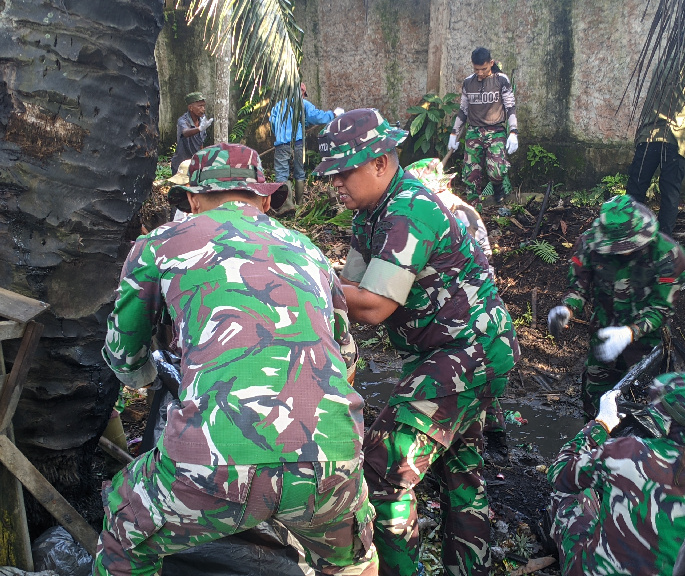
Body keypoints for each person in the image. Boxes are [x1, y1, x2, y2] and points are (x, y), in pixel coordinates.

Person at [94, 142, 378, 576]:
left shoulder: (159, 245)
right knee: (353, 563)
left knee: (124, 532)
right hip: (332, 460)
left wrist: (149, 374)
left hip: (209, 462)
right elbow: (345, 354)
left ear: (192, 200)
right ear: (264, 200)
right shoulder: (309, 250)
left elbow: (124, 354)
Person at [313, 108, 520, 576]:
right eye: (331, 175)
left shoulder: (409, 209)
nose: (335, 184)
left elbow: (372, 306)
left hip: (466, 353)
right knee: (459, 471)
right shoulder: (370, 214)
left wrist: (306, 279)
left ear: (380, 163)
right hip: (454, 352)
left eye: (344, 171)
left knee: (383, 470)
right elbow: (351, 289)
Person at [405, 158, 508, 463]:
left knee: (471, 374)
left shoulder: (458, 214)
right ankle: (485, 438)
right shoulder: (446, 211)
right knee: (473, 375)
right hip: (457, 304)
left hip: (466, 306)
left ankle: (488, 440)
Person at [547, 194, 685, 420]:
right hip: (603, 334)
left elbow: (661, 308)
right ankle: (593, 439)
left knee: (643, 410)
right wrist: (567, 309)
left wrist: (630, 333)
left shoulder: (668, 254)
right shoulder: (589, 244)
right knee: (595, 401)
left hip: (647, 345)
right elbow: (579, 286)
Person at [546, 373, 685, 576]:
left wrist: (601, 424)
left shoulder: (630, 451)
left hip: (595, 571)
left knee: (574, 494)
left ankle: (552, 543)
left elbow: (558, 473)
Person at [447, 47, 518, 204]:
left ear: (491, 63)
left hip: (496, 131)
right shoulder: (468, 83)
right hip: (474, 132)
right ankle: (473, 209)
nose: (480, 73)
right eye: (476, 69)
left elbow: (510, 107)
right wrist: (454, 133)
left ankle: (498, 187)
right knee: (470, 176)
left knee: (497, 171)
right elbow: (463, 110)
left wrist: (513, 132)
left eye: (483, 69)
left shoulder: (501, 80)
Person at [626, 58, 685, 237]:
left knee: (636, 189)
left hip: (649, 135)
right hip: (676, 138)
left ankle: (628, 235)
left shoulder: (663, 62)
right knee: (670, 194)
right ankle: (663, 240)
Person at [269, 82, 343, 212]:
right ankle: (299, 204)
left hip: (282, 144)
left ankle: (286, 206)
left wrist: (282, 135)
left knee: (281, 174)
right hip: (298, 142)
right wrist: (333, 114)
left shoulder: (278, 106)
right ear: (302, 92)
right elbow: (317, 117)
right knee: (299, 172)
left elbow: (273, 124)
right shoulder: (302, 104)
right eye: (304, 94)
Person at [170, 91, 213, 175]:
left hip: (195, 163)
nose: (203, 109)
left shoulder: (202, 120)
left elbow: (200, 143)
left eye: (204, 106)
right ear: (190, 108)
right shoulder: (183, 121)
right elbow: (185, 133)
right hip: (181, 165)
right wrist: (199, 128)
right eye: (200, 106)